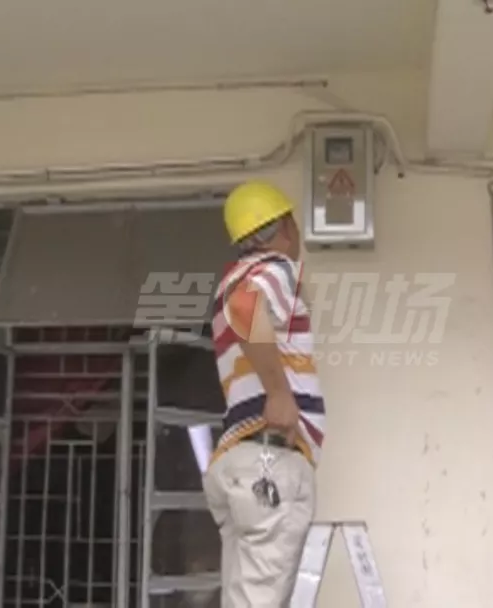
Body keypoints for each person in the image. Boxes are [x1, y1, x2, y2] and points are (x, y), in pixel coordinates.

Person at [203, 180, 326, 607]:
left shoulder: (231, 280)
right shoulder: (274, 268)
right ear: (285, 227)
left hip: (241, 463)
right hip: (268, 461)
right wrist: (278, 393)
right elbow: (246, 307)